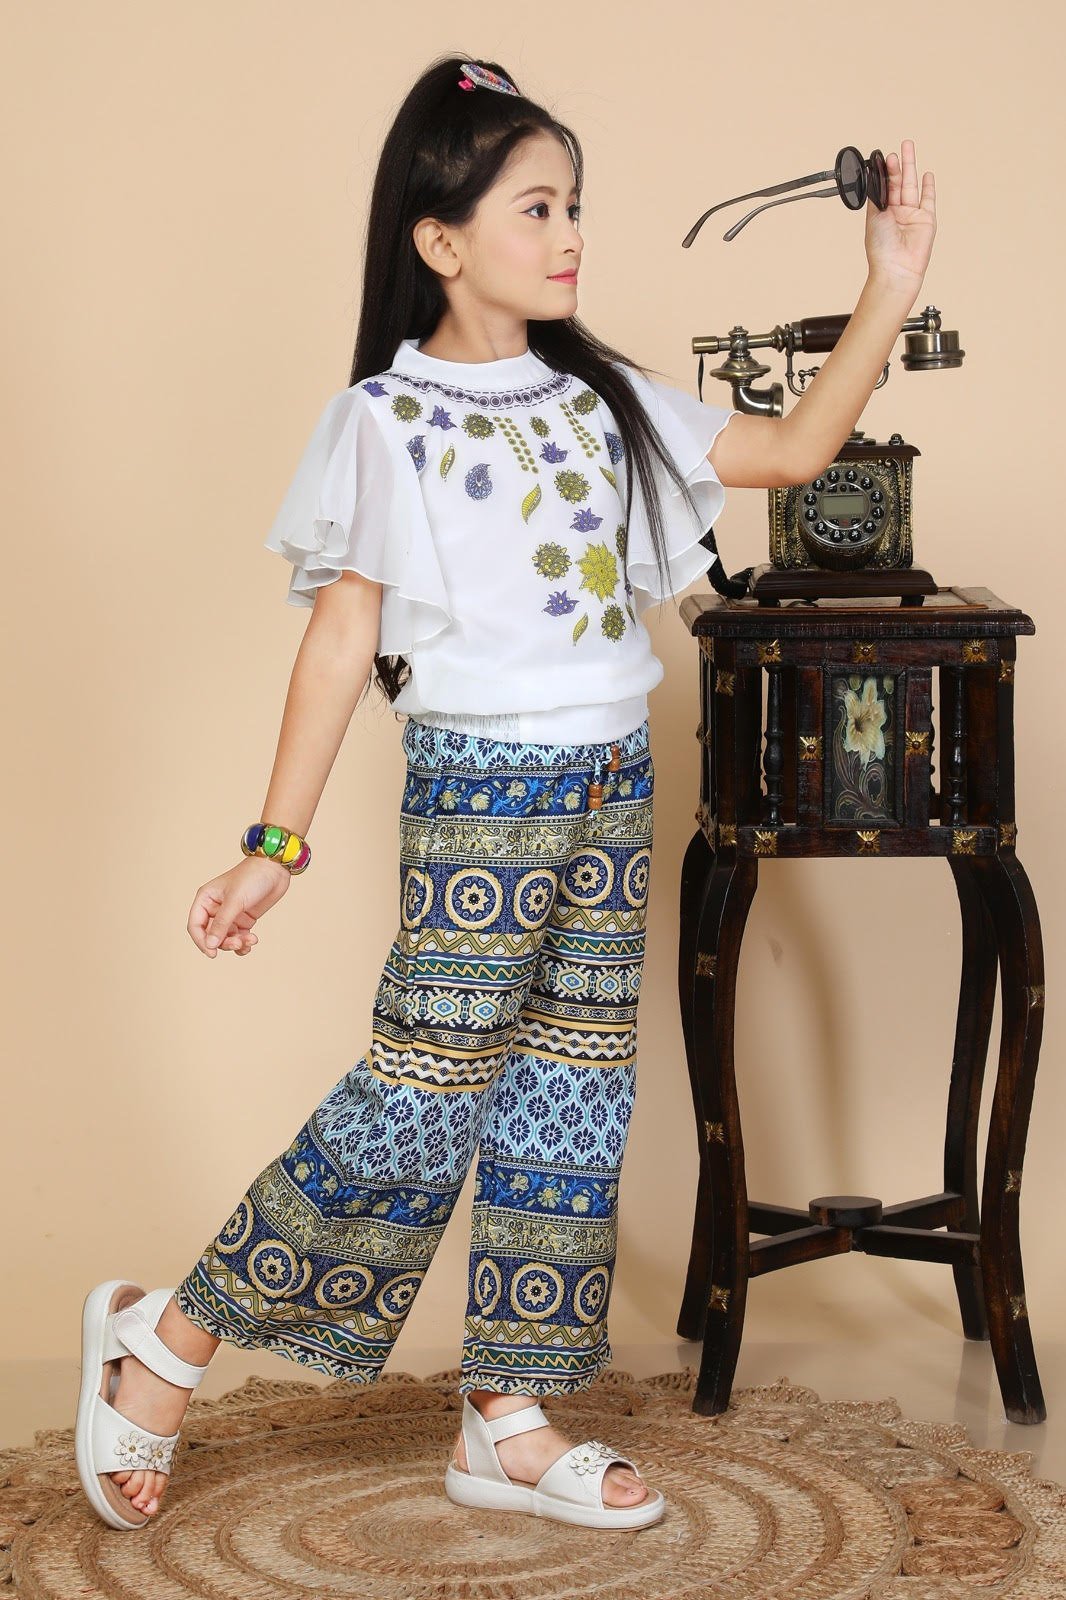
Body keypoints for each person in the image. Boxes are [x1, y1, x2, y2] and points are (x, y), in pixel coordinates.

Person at [74, 53, 936, 1534]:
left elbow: (795, 453)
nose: (569, 232)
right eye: (536, 207)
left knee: (573, 1102)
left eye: (573, 204)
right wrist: (274, 844)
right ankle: (167, 1340)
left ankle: (507, 1416)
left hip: (613, 779)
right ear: (441, 238)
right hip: (480, 789)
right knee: (419, 1092)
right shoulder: (384, 419)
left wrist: (889, 282)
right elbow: (341, 637)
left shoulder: (605, 398)